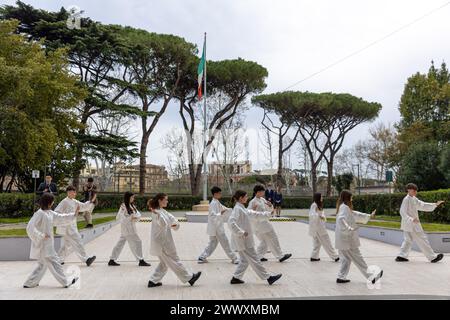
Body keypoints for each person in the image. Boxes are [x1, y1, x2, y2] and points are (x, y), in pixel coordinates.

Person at [23, 193, 79, 288]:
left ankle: (29, 282)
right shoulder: (39, 213)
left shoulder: (49, 213)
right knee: (55, 262)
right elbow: (30, 227)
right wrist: (41, 235)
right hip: (43, 245)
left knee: (42, 265)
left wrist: (73, 215)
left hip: (48, 244)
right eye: (52, 201)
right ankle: (66, 281)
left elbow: (60, 217)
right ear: (48, 202)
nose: (53, 203)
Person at [228, 190, 282, 285]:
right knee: (255, 259)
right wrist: (241, 232)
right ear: (241, 198)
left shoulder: (242, 208)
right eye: (245, 196)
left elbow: (254, 214)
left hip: (244, 239)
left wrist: (268, 214)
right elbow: (231, 222)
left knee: (244, 261)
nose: (247, 197)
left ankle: (236, 277)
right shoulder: (237, 209)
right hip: (243, 240)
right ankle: (268, 277)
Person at [147, 193, 202, 288]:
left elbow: (172, 218)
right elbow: (163, 223)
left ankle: (153, 280)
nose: (167, 201)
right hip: (162, 242)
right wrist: (165, 220)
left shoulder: (161, 211)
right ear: (160, 200)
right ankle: (189, 278)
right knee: (174, 260)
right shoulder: (156, 212)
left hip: (165, 241)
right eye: (166, 199)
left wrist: (175, 224)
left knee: (164, 263)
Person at [335, 190, 382, 285]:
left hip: (344, 238)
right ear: (347, 197)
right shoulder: (344, 208)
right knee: (358, 257)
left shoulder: (344, 207)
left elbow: (355, 214)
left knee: (346, 259)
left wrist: (369, 216)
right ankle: (371, 277)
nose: (352, 199)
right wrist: (348, 228)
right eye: (351, 197)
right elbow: (341, 219)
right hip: (347, 239)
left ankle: (341, 277)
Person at [396, 183, 445, 263]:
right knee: (422, 239)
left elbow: (422, 205)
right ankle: (432, 257)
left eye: (416, 190)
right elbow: (402, 212)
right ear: (409, 190)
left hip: (408, 224)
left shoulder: (414, 199)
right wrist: (411, 219)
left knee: (408, 240)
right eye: (414, 190)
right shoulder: (406, 199)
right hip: (412, 224)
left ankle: (401, 256)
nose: (415, 192)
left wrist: (435, 204)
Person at [55, 186, 97, 266]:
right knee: (78, 242)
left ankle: (58, 259)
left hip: (72, 226)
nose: (73, 194)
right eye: (71, 192)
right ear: (67, 193)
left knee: (66, 245)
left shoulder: (74, 201)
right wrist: (67, 217)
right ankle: (86, 259)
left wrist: (92, 200)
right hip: (67, 227)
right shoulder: (64, 202)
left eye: (74, 192)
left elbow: (84, 206)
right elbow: (57, 212)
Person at [248, 185, 292, 263]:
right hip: (260, 224)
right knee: (273, 238)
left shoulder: (262, 200)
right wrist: (253, 210)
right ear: (258, 192)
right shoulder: (253, 202)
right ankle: (280, 256)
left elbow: (269, 209)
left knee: (264, 242)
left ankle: (258, 256)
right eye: (262, 191)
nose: (264, 192)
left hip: (264, 222)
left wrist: (270, 205)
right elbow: (250, 214)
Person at [198, 186, 239, 264]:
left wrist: (230, 210)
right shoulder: (213, 203)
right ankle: (234, 258)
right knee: (225, 243)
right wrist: (221, 213)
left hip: (217, 227)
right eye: (219, 193)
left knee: (212, 244)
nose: (221, 194)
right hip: (217, 228)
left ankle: (202, 257)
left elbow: (224, 209)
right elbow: (213, 216)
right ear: (215, 194)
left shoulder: (217, 202)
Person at [108, 192, 150, 267]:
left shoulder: (132, 206)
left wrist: (134, 217)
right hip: (128, 229)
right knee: (137, 242)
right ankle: (141, 260)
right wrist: (130, 218)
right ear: (128, 198)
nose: (133, 198)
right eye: (132, 197)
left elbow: (138, 214)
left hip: (130, 228)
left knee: (120, 243)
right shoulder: (123, 206)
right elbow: (119, 217)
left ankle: (112, 259)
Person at [308, 193, 339, 262]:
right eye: (321, 196)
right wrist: (319, 216)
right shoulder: (314, 205)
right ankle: (335, 256)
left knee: (317, 243)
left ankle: (314, 256)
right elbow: (312, 214)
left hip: (319, 226)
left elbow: (321, 214)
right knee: (327, 241)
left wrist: (321, 216)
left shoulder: (317, 205)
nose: (322, 197)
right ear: (318, 197)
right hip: (318, 227)